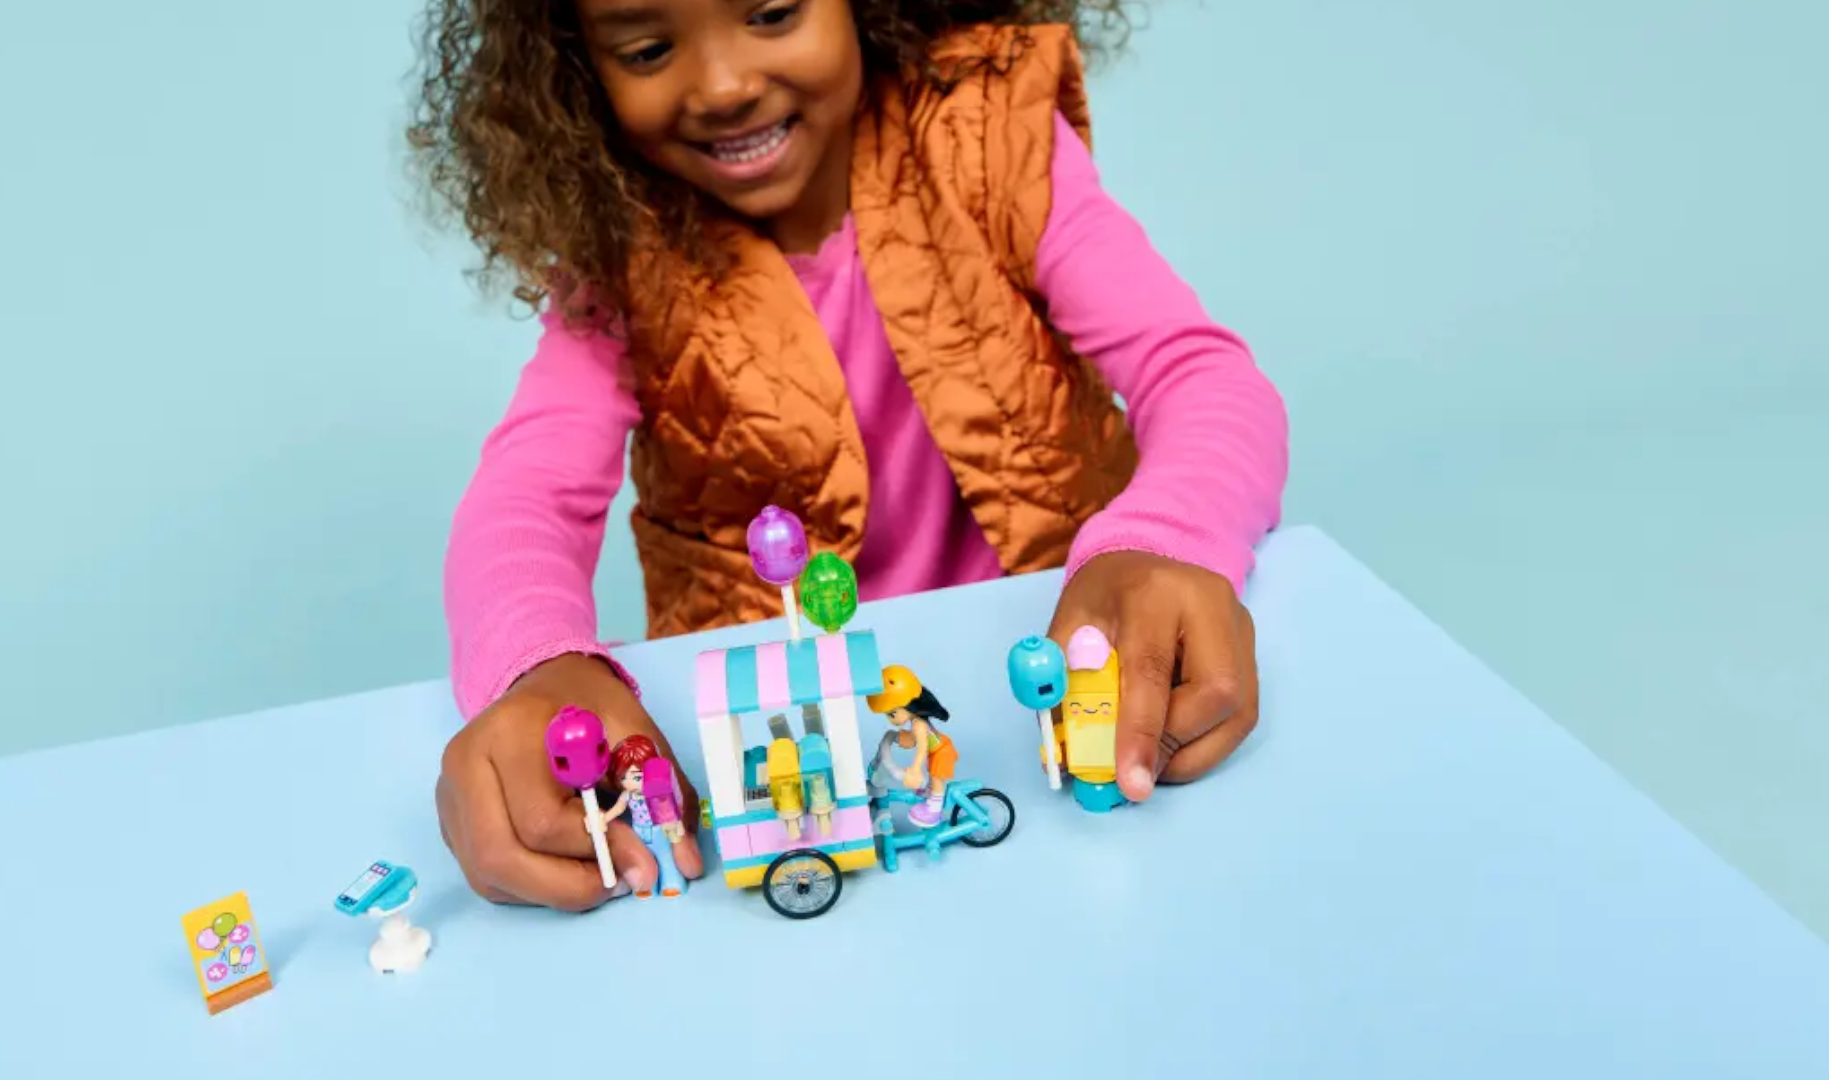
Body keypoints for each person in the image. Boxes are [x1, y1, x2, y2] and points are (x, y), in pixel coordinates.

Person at [422, 0, 1289, 911]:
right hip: (787, 751)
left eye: (772, 12)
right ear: (574, 71)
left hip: (1023, 705)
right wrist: (534, 667)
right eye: (646, 49)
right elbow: (526, 497)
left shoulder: (992, 134)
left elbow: (1201, 377)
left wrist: (1164, 538)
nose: (723, 86)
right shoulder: (623, 250)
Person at [866, 666, 956, 826]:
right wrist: (895, 737)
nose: (890, 719)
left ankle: (934, 809)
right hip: (937, 749)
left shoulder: (918, 726)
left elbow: (921, 749)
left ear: (907, 705)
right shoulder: (915, 722)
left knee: (936, 776)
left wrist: (915, 769)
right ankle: (930, 792)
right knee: (933, 772)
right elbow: (912, 740)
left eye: (892, 714)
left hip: (942, 751)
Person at [600, 736, 687, 898]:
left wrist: (675, 826)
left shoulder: (656, 794)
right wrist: (604, 819)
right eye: (623, 778)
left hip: (658, 830)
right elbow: (618, 808)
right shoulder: (627, 795)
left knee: (665, 856)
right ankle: (649, 885)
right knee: (646, 857)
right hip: (639, 831)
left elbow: (669, 810)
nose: (630, 784)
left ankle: (672, 881)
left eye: (637, 777)